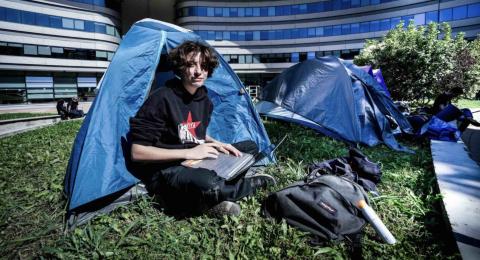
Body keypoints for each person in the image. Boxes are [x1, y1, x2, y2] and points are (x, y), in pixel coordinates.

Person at [129, 41, 275, 217]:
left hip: (196, 160)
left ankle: (211, 194)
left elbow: (193, 132)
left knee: (249, 147)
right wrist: (189, 154)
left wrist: (217, 143)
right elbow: (137, 152)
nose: (199, 71)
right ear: (180, 67)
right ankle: (233, 189)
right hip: (167, 169)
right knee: (208, 183)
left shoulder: (204, 99)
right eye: (191, 65)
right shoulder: (161, 98)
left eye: (204, 65)